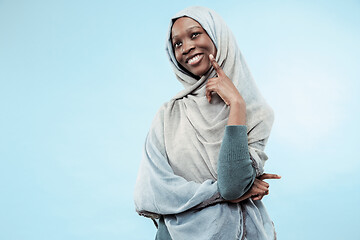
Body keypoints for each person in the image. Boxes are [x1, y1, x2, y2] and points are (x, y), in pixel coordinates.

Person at [134, 6, 281, 240]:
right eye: (177, 44)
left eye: (195, 35)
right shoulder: (168, 115)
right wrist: (226, 192)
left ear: (217, 36)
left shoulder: (256, 113)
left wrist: (236, 105)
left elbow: (232, 184)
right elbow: (150, 193)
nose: (186, 47)